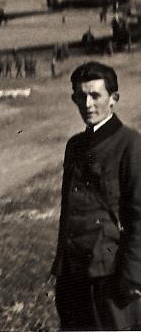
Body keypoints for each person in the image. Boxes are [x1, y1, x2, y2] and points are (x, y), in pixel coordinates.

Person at [52, 61, 141, 330]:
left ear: (113, 99)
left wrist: (133, 276)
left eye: (95, 96)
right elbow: (69, 212)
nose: (87, 104)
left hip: (111, 276)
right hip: (73, 274)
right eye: (81, 96)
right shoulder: (75, 146)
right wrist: (61, 267)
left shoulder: (131, 144)